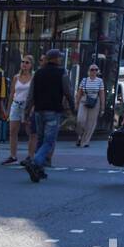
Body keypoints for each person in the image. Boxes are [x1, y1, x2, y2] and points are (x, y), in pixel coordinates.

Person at [21, 49, 75, 183]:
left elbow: (31, 95)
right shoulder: (62, 72)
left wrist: (27, 112)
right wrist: (73, 106)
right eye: (59, 58)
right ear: (55, 59)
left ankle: (39, 170)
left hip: (38, 110)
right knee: (49, 141)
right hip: (53, 110)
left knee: (41, 139)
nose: (61, 60)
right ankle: (35, 162)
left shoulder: (38, 73)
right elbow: (68, 91)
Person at [2, 55, 37, 164]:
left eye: (27, 63)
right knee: (12, 131)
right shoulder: (16, 77)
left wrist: (33, 108)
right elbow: (12, 93)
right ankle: (13, 155)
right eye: (23, 62)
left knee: (30, 132)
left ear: (31, 65)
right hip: (16, 105)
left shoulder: (33, 77)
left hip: (27, 106)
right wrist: (7, 110)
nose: (24, 64)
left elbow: (35, 94)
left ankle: (30, 156)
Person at [75, 64, 104, 147]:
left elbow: (102, 94)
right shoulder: (84, 80)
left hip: (95, 101)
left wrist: (102, 107)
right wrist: (76, 103)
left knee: (91, 123)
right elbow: (79, 92)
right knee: (80, 120)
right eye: (92, 69)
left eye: (96, 69)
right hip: (84, 100)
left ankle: (85, 142)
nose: (94, 71)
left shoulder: (100, 81)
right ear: (89, 71)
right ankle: (80, 135)